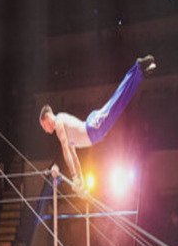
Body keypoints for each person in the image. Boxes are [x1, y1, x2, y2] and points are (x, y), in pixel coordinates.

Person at [39, 56, 156, 191]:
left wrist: (74, 176)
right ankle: (139, 74)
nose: (46, 131)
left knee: (117, 102)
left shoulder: (59, 121)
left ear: (47, 117)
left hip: (92, 126)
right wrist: (81, 183)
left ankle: (138, 66)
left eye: (44, 126)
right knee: (120, 105)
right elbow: (75, 159)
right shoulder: (64, 129)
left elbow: (65, 149)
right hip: (96, 132)